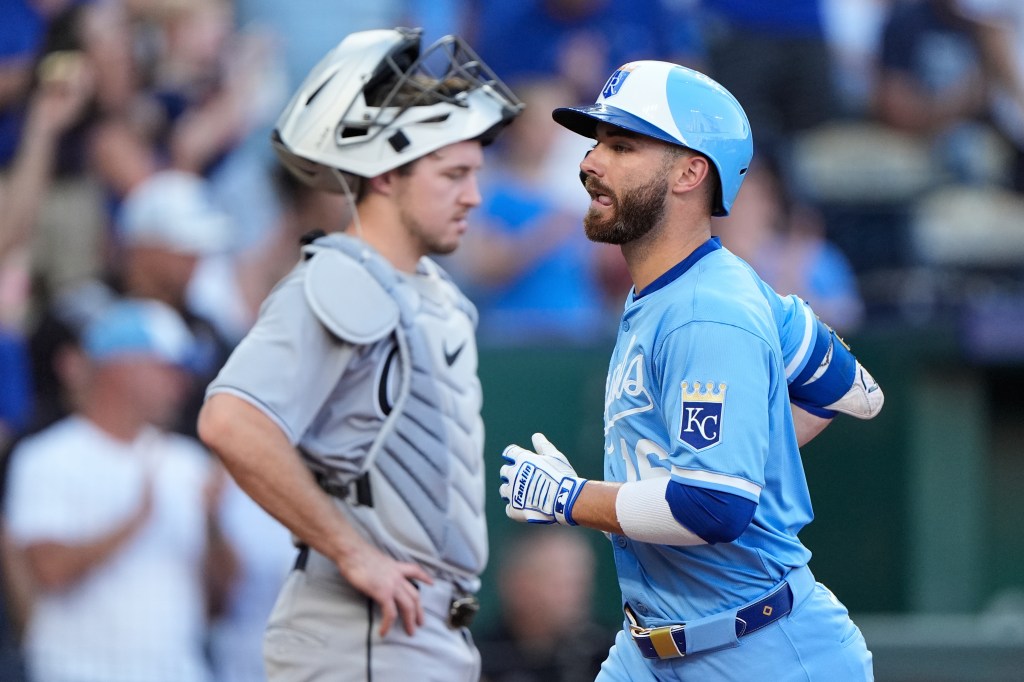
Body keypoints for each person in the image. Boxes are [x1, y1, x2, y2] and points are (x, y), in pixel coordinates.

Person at [498, 60, 884, 680]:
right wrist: (757, 440)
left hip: (762, 651)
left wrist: (571, 499)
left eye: (621, 145)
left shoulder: (709, 311)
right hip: (651, 647)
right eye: (597, 143)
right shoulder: (683, 288)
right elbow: (849, 388)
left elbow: (711, 508)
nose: (589, 163)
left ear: (690, 171)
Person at [197, 27, 523, 682]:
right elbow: (230, 421)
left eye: (475, 174)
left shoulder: (434, 293)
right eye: (452, 174)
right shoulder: (342, 275)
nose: (473, 196)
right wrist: (353, 552)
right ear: (386, 177)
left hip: (420, 630)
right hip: (362, 632)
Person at [3, 298, 237, 682]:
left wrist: (212, 523)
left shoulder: (189, 462)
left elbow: (219, 604)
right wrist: (133, 521)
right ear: (122, 369)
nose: (182, 383)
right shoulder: (44, 457)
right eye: (169, 368)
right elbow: (48, 571)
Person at [476, 526, 615, 682]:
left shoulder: (611, 654)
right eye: (561, 583)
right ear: (520, 584)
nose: (578, 594)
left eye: (581, 581)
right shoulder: (477, 661)